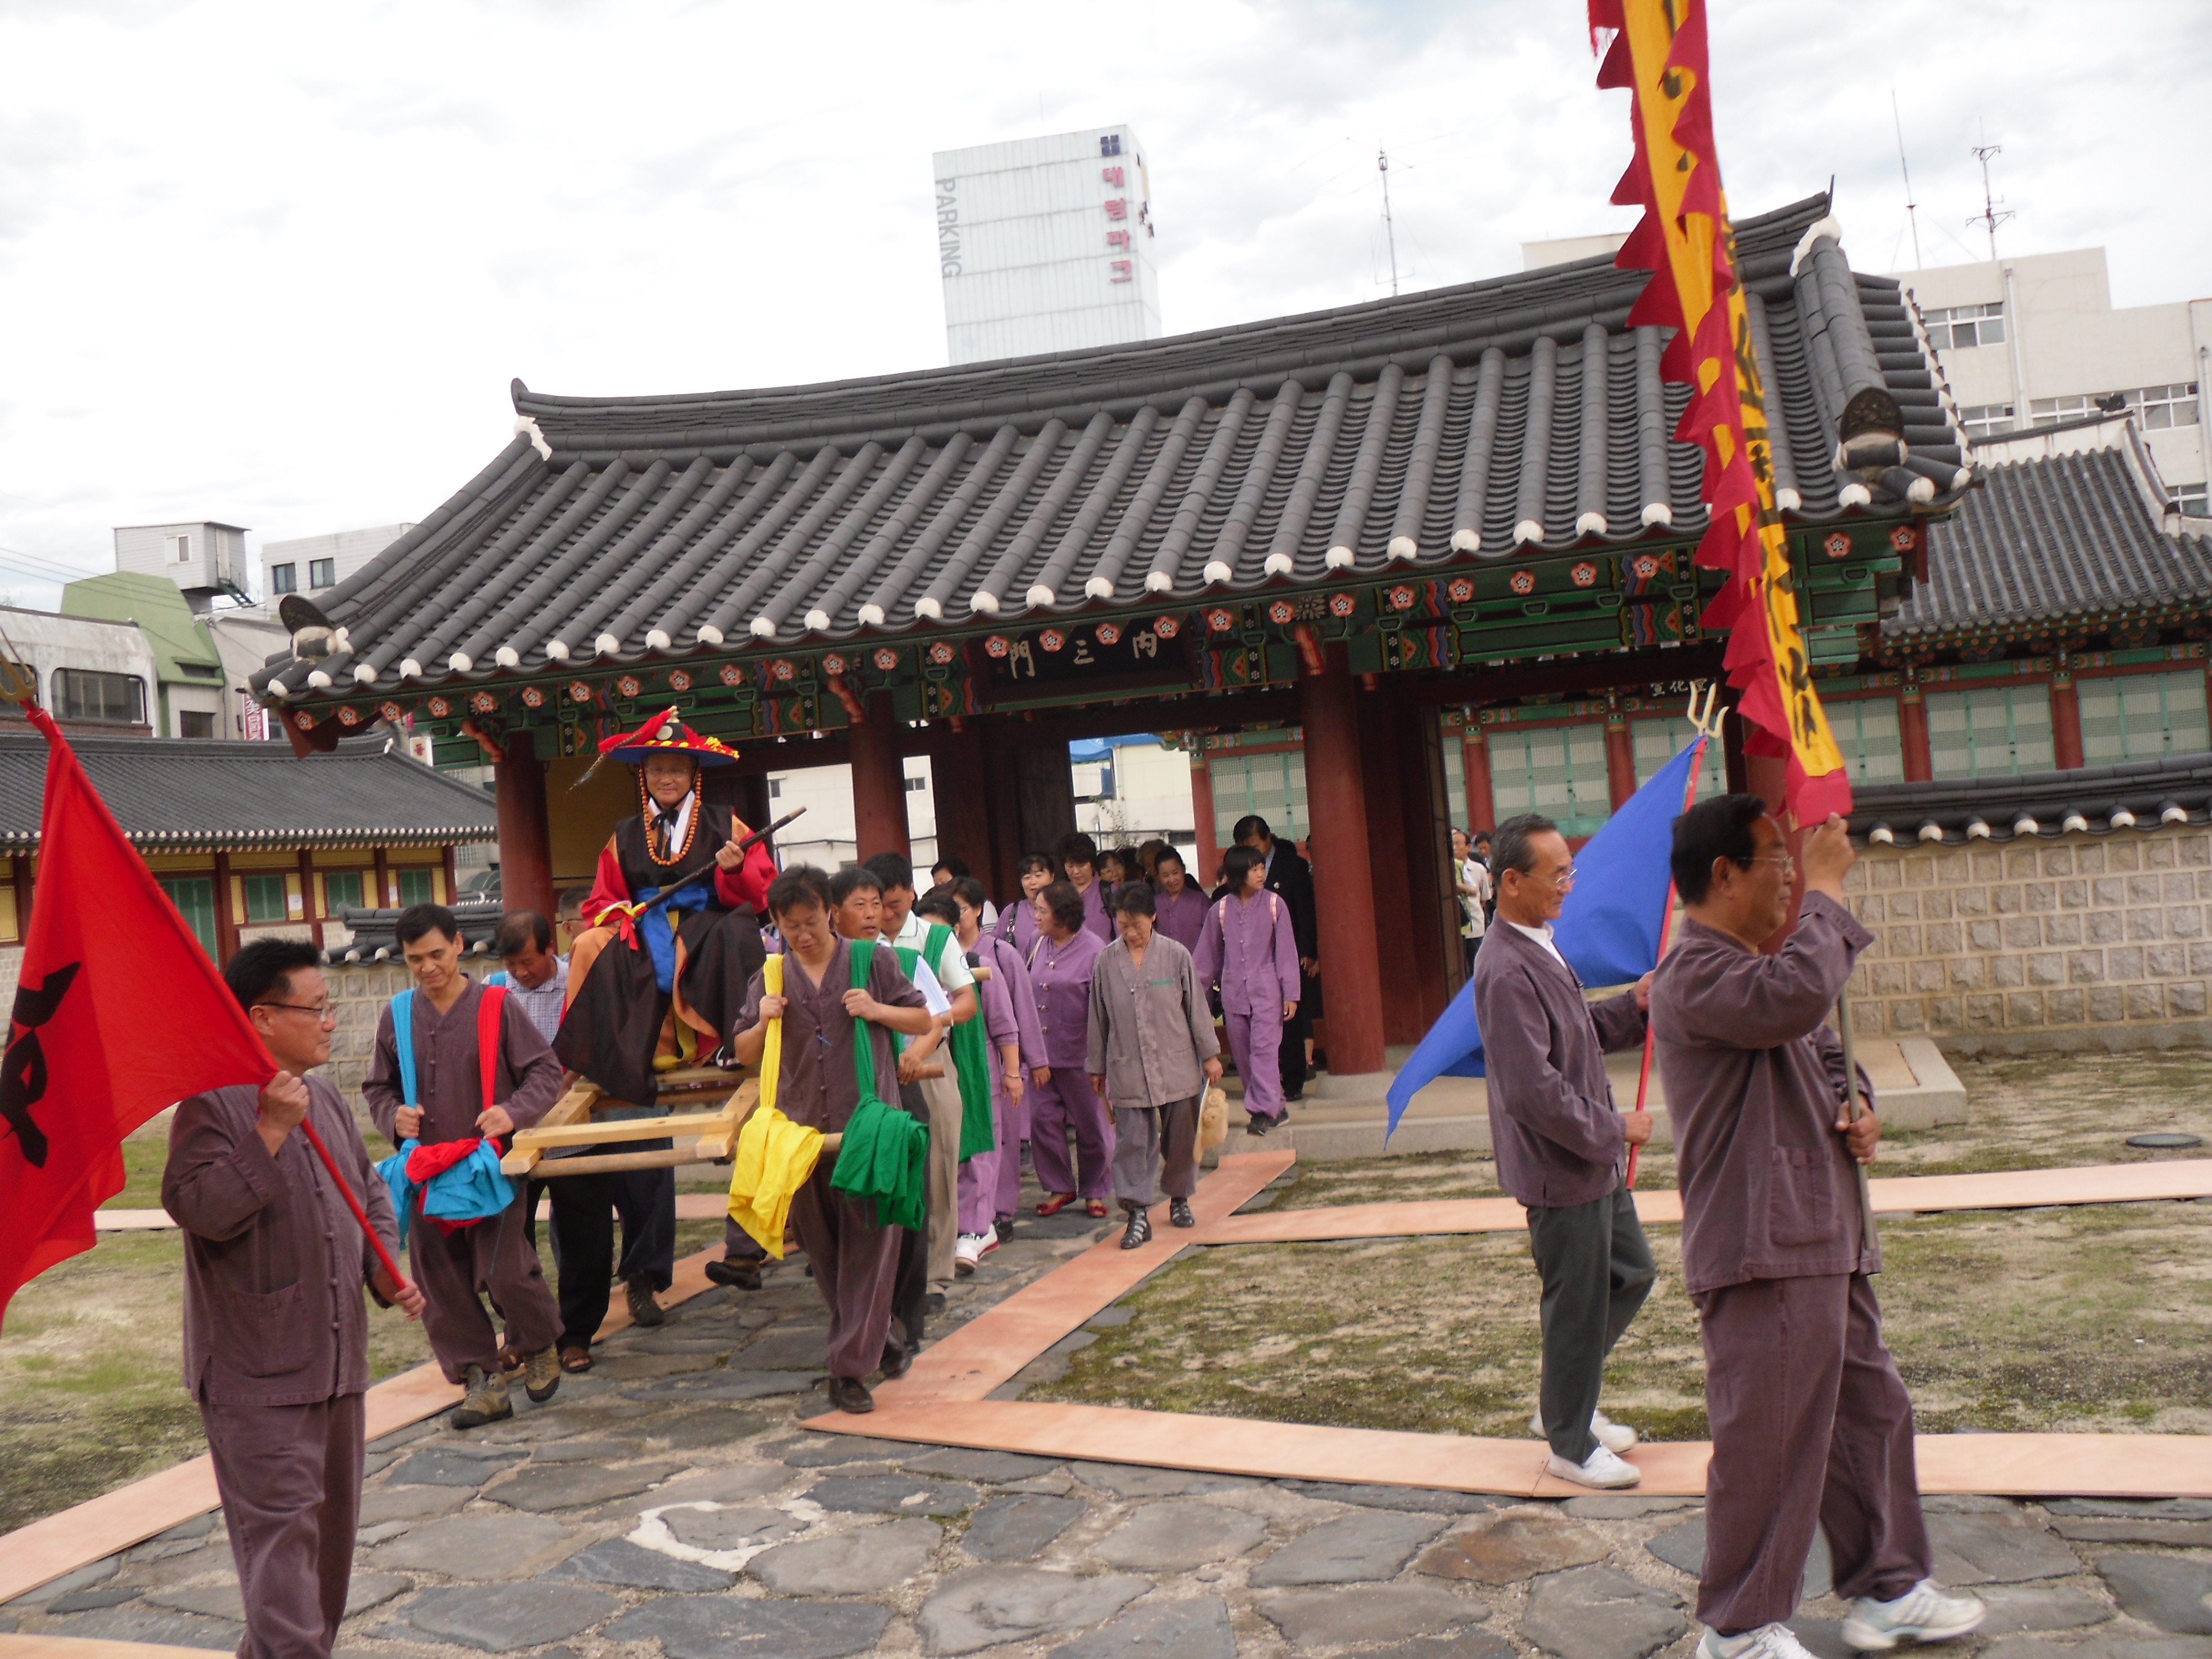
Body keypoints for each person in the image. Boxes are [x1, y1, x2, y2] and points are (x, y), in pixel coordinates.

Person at [1652, 797, 1985, 1659]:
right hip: (1762, 1247)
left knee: (1868, 1414)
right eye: (1777, 861)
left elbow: (1828, 1047)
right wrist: (1830, 891)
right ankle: (1738, 1627)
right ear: (1724, 875)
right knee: (1768, 1439)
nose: (1791, 878)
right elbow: (1795, 1000)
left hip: (1820, 1231)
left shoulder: (1757, 967)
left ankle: (1889, 1587)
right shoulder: (1696, 973)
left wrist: (1857, 1103)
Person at [163, 940, 424, 1659]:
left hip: (336, 1367)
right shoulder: (213, 1104)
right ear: (262, 1017)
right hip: (257, 1377)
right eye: (317, 1009)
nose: (331, 1022)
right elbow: (198, 1207)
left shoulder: (325, 1096)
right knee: (282, 1569)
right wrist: (270, 1131)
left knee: (324, 1571)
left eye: (329, 1008)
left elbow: (368, 1190)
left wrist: (382, 1266)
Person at [1475, 813, 1656, 1491]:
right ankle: (1569, 1444)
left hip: (1590, 1163)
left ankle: (1564, 1397)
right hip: (1562, 1165)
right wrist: (1614, 1129)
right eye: (1555, 876)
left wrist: (1635, 1007)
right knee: (1577, 1303)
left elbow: (1576, 1031)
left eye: (1568, 873)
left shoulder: (1539, 944)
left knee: (1630, 1273)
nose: (1567, 887)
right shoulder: (1504, 967)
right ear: (1510, 881)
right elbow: (1533, 1092)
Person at [728, 865, 933, 1413]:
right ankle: (878, 1339)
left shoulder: (872, 961)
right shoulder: (771, 976)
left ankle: (847, 1370)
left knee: (869, 1248)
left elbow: (923, 1021)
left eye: (812, 922)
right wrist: (762, 1022)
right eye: (790, 925)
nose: (803, 934)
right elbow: (743, 1053)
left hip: (868, 1132)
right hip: (800, 1139)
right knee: (825, 1255)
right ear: (776, 923)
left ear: (831, 914)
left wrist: (876, 1010)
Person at [363, 904, 567, 1428]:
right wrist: (393, 1116)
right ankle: (482, 1381)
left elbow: (544, 1072)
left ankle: (538, 1342)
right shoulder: (398, 1014)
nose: (428, 967)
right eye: (415, 959)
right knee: (440, 1282)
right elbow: (378, 1087)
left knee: (504, 1269)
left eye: (436, 954)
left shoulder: (497, 1004)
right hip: (426, 1170)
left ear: (458, 945)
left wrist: (513, 1112)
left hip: (490, 1166)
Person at [559, 708, 775, 1105]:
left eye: (676, 770)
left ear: (694, 773)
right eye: (657, 770)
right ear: (644, 774)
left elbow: (761, 893)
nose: (666, 779)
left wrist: (735, 870)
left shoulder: (727, 824)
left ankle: (728, 1044)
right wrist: (621, 916)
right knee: (589, 943)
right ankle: (602, 1054)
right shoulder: (624, 834)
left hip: (708, 921)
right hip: (644, 923)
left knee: (731, 933)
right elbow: (604, 898)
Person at [497, 907, 679, 1370]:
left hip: (575, 1132)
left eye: (528, 962)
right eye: (512, 964)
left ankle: (576, 1336)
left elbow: (603, 1040)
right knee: (508, 1242)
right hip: (513, 1137)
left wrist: (565, 1085)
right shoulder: (493, 993)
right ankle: (522, 1332)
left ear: (550, 949)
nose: (520, 973)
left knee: (587, 1241)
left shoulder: (581, 981)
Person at [1087, 883, 1222, 1249]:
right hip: (1128, 1067)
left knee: (1181, 1139)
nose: (1130, 932)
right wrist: (1096, 1067)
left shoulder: (1176, 955)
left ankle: (1180, 1198)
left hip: (1177, 1065)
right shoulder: (1105, 962)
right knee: (1132, 1141)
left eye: (1137, 924)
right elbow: (1098, 1018)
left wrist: (1210, 1056)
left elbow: (1196, 1009)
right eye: (1123, 925)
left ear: (1153, 917)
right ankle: (1137, 1213)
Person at [869, 852, 978, 1307]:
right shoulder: (861, 942)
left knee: (938, 1165)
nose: (886, 914)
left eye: (895, 904)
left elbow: (966, 1002)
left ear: (911, 894)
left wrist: (926, 1032)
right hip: (877, 1064)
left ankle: (935, 1274)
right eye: (878, 905)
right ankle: (888, 1272)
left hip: (930, 1061)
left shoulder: (934, 937)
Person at [952, 875, 1043, 1264]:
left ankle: (1000, 1212)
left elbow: (1019, 1011)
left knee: (1002, 1144)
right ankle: (974, 1218)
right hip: (959, 1066)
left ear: (977, 910)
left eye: (959, 908)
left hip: (1000, 1062)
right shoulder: (937, 955)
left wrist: (1030, 1062)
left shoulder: (998, 954)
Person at [1194, 845, 1301, 1137]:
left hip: (1268, 993)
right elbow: (1206, 959)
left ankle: (1262, 1112)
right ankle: (1276, 1108)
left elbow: (1286, 953)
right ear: (1237, 874)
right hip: (1233, 995)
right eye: (1254, 869)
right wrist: (1198, 1001)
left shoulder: (1275, 905)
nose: (1260, 874)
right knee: (1243, 1056)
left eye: (1262, 867)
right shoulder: (1220, 910)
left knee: (1263, 1053)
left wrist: (1291, 994)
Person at [1026, 880, 1113, 1215]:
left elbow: (1104, 1008)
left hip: (1081, 1054)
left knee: (1092, 1124)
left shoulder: (1095, 950)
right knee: (1042, 1120)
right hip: (1041, 1053)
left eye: (1042, 911)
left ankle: (1095, 1189)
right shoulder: (1036, 943)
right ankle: (1059, 1186)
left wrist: (1102, 1058)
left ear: (1062, 916)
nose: (1036, 916)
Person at [1232, 815, 1318, 1100]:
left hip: (1287, 953)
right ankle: (1263, 1088)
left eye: (1256, 846)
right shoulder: (1234, 880)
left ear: (1268, 839)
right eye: (1245, 847)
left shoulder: (1293, 866)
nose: (1252, 853)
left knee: (1290, 1018)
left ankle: (1293, 1080)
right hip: (1252, 959)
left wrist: (1309, 951)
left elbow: (1305, 911)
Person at [1149, 847, 1209, 956]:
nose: (1172, 880)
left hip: (1195, 962)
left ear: (1184, 870)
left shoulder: (1200, 901)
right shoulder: (1155, 903)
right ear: (1158, 877)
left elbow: (1212, 937)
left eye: (1175, 873)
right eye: (1166, 876)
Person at [995, 851, 1056, 955]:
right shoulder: (1011, 912)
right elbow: (995, 948)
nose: (1033, 882)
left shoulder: (1063, 907)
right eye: (1027, 877)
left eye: (1038, 875)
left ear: (1052, 877)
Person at [1057, 832, 1115, 941]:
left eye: (1081, 865)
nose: (1076, 872)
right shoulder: (1059, 894)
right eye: (1070, 866)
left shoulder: (1109, 892)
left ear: (1092, 863)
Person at [1452, 828, 1493, 973]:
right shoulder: (1447, 870)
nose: (1454, 848)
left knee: (1477, 967)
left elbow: (1484, 898)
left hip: (1475, 925)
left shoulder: (1479, 869)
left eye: (1458, 844)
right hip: (1455, 929)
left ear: (1468, 847)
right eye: (1452, 844)